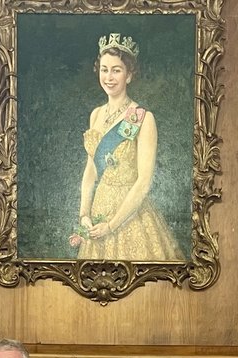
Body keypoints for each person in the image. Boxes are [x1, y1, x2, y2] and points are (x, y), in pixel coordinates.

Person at [76, 33, 181, 261]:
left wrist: (111, 225)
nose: (109, 77)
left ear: (129, 75)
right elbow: (90, 171)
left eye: (116, 70)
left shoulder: (141, 118)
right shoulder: (96, 115)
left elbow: (143, 182)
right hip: (99, 212)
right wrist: (84, 214)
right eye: (104, 69)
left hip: (129, 214)